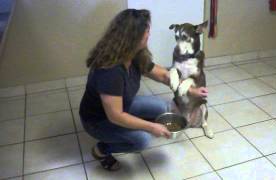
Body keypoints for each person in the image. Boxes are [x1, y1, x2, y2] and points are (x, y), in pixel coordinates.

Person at [79, 9, 208, 171]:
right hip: (98, 120)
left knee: (162, 108)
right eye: (147, 30)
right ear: (134, 37)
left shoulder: (135, 55)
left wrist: (191, 90)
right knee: (142, 140)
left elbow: (163, 75)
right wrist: (150, 127)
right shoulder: (110, 72)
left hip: (122, 105)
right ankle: (102, 150)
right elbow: (115, 116)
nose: (149, 33)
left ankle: (131, 126)